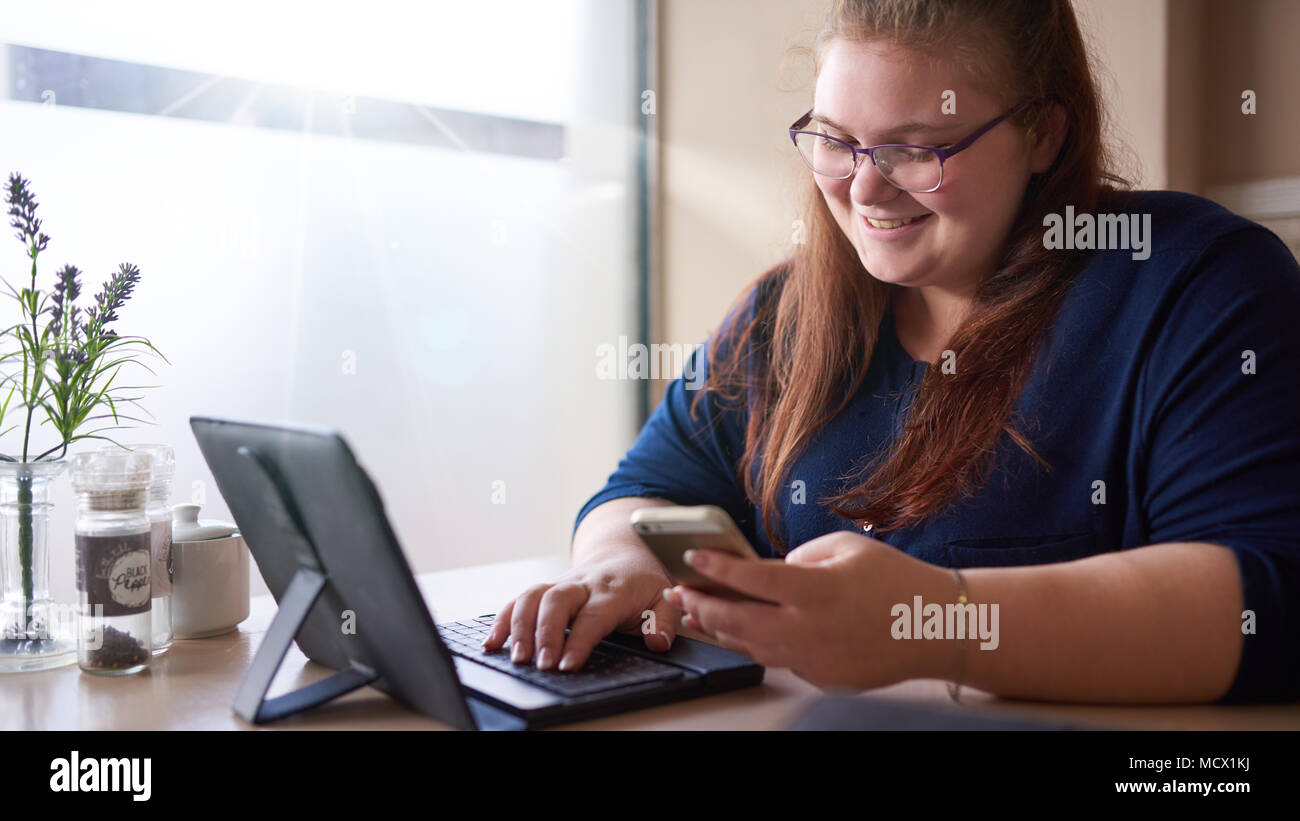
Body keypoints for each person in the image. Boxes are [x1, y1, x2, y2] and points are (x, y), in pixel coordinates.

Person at [483, 0, 1300, 704]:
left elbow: (1267, 597)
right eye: (836, 140)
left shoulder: (1199, 286)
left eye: (915, 149)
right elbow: (648, 489)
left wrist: (938, 620)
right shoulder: (785, 315)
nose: (864, 188)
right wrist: (620, 565)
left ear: (1044, 132)